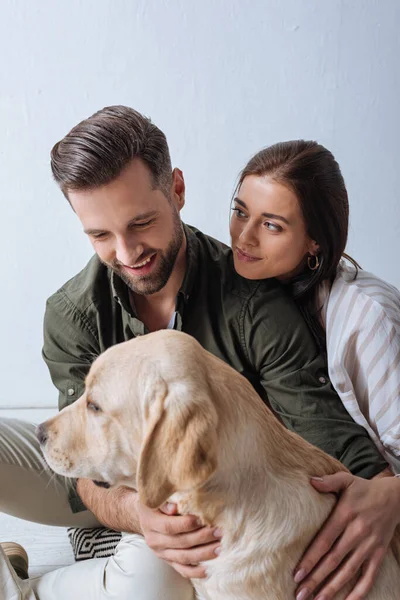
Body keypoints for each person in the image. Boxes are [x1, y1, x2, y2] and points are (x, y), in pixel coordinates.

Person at [0, 107, 395, 600]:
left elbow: (324, 436)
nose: (126, 253)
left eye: (141, 222)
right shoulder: (72, 312)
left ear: (178, 190)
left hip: (184, 517)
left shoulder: (257, 306)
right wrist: (134, 513)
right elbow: (76, 468)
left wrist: (389, 493)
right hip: (97, 492)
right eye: (100, 235)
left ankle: (24, 587)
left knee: (153, 581)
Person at [230, 139, 400, 600]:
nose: (244, 237)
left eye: (271, 225)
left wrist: (393, 495)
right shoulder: (255, 298)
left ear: (314, 242)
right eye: (240, 210)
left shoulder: (367, 319)